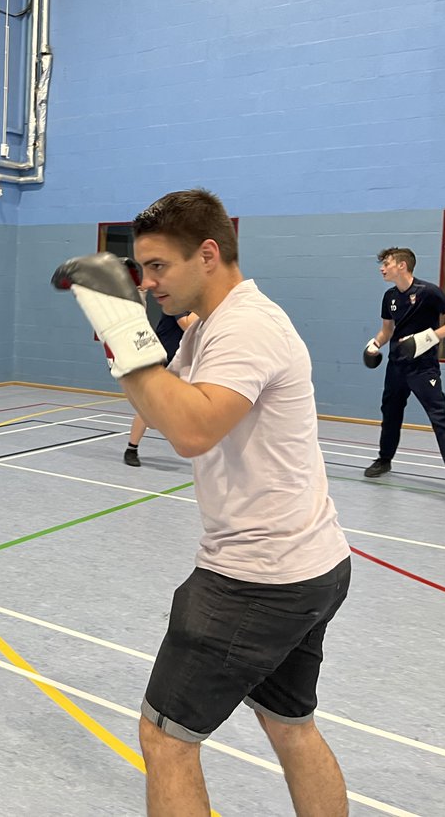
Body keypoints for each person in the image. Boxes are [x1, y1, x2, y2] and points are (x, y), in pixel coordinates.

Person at [53, 189, 352, 817]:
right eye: (142, 270)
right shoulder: (215, 324)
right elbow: (166, 410)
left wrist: (120, 325)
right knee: (289, 725)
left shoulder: (246, 328)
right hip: (308, 564)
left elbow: (191, 432)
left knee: (164, 738)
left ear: (208, 254)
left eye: (159, 267)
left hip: (256, 580)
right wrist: (122, 334)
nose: (150, 282)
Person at [361, 247, 445, 509]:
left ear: (402, 266)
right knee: (390, 413)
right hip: (396, 367)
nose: (382, 268)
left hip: (424, 369)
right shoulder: (389, 296)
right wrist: (374, 345)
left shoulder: (428, 292)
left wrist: (427, 338)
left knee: (440, 419)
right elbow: (386, 330)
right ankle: (384, 459)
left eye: (386, 263)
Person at [123, 310, 195, 466]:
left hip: (182, 360)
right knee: (149, 407)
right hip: (161, 359)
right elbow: (188, 325)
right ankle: (131, 449)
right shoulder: (178, 303)